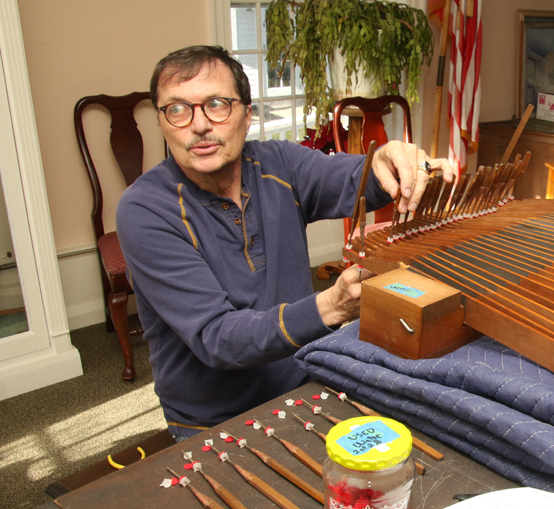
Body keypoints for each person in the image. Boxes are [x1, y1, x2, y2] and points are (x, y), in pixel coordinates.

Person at [116, 46, 453, 440]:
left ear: (246, 115)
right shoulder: (143, 209)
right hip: (214, 420)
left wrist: (389, 162)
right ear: (162, 122)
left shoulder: (278, 163)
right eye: (178, 109)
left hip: (309, 379)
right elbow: (218, 338)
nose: (200, 125)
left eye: (217, 104)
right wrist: (331, 306)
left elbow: (354, 179)